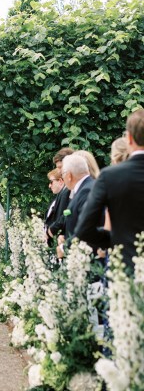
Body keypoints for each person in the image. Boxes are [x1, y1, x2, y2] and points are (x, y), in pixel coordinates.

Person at [75, 109, 144, 271]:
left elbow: (83, 229)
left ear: (128, 138)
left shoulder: (110, 176)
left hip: (126, 268)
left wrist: (114, 239)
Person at [44, 168, 65, 245]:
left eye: (51, 182)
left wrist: (50, 231)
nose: (49, 186)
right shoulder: (57, 199)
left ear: (60, 181)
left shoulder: (66, 196)